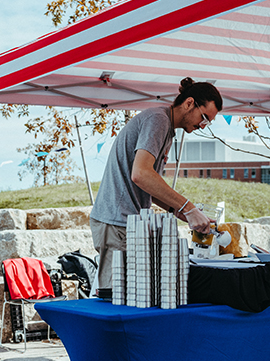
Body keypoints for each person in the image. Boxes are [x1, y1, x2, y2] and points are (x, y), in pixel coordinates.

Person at [89, 77, 222, 290]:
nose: (202, 126)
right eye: (204, 118)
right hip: (116, 223)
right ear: (189, 103)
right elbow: (141, 174)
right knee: (116, 300)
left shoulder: (166, 128)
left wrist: (188, 214)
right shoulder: (158, 120)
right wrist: (188, 207)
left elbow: (148, 184)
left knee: (132, 297)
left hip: (126, 223)